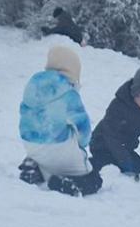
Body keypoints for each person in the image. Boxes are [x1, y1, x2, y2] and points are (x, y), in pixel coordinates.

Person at [17, 45, 102, 196]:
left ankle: (34, 170)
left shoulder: (33, 86)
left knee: (48, 164)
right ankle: (64, 184)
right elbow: (83, 130)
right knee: (94, 180)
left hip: (30, 144)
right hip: (59, 148)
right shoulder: (68, 93)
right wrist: (81, 146)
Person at [89, 65, 140, 181]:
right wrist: (124, 160)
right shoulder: (118, 105)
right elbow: (110, 135)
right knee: (110, 169)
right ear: (136, 93)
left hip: (126, 149)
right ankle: (90, 165)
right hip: (103, 147)